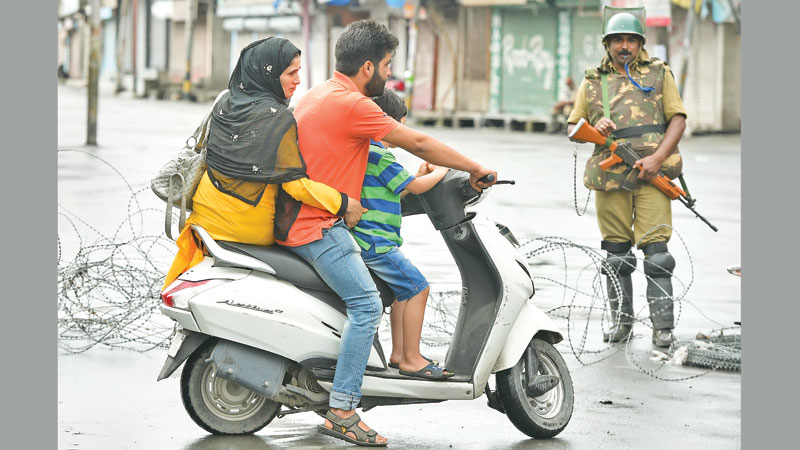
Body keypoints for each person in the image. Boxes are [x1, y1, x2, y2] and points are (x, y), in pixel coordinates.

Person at [276, 19, 497, 447]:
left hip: (307, 216)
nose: (389, 75)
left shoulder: (319, 93)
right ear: (367, 67)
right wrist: (473, 167)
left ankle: (387, 363)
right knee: (365, 305)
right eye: (387, 66)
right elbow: (417, 144)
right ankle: (342, 409)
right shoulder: (355, 105)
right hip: (319, 225)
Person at [162, 37, 364, 290]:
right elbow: (295, 187)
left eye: (299, 72)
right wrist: (344, 203)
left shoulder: (225, 102)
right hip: (246, 232)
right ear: (268, 73)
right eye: (291, 73)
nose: (298, 81)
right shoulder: (277, 119)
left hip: (202, 224)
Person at [566, 7, 687, 348]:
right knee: (617, 256)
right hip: (611, 179)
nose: (624, 46)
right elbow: (574, 128)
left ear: (640, 44)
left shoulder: (659, 74)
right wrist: (596, 127)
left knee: (658, 254)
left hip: (652, 175)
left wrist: (656, 159)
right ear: (607, 44)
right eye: (617, 40)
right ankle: (621, 324)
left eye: (631, 40)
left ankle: (663, 329)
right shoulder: (592, 82)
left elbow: (677, 119)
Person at [351, 89, 451, 380]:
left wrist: (419, 174)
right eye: (400, 127)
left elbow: (401, 185)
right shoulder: (380, 156)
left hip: (366, 239)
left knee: (400, 293)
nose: (403, 133)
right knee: (418, 288)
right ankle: (411, 358)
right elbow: (417, 188)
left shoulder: (363, 151)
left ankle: (398, 354)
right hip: (378, 243)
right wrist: (443, 169)